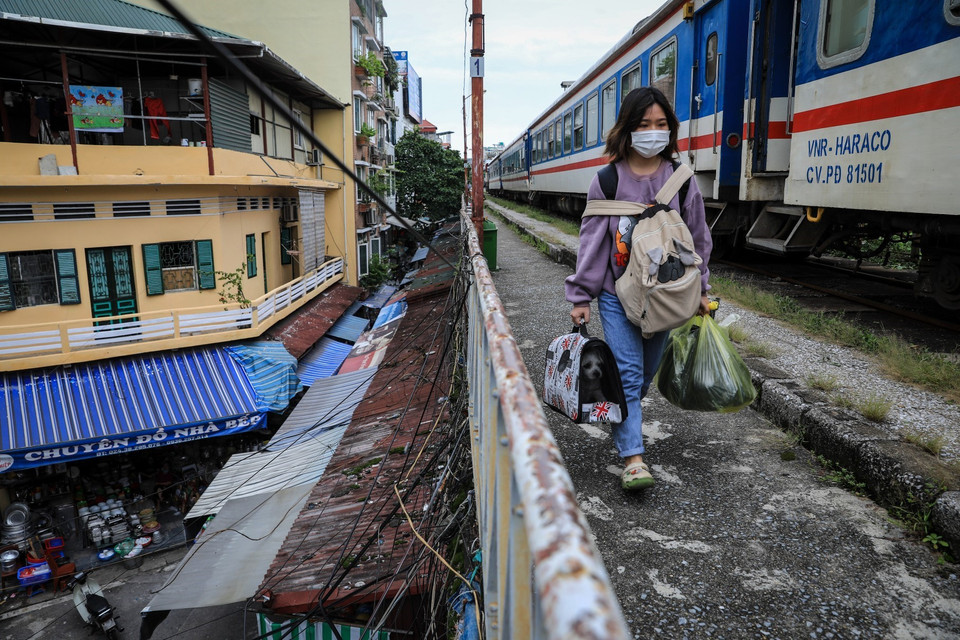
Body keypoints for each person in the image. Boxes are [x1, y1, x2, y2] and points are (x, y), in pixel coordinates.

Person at [565, 87, 713, 491]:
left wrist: (703, 289)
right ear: (628, 128)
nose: (653, 132)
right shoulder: (608, 179)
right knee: (629, 375)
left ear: (671, 129)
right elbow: (592, 243)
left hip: (666, 296)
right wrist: (581, 296)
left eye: (661, 125)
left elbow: (698, 239)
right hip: (618, 295)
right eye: (644, 124)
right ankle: (633, 458)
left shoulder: (681, 179)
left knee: (644, 375)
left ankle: (622, 410)